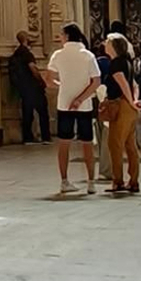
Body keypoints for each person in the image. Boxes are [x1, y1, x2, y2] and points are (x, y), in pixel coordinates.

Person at [42, 23, 101, 196]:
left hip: (64, 103)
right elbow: (96, 81)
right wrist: (81, 98)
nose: (59, 38)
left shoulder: (58, 55)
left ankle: (64, 181)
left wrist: (63, 86)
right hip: (84, 105)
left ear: (67, 36)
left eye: (61, 35)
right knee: (87, 144)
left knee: (64, 143)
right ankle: (91, 182)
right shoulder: (88, 55)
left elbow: (48, 79)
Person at [99, 31, 141, 196]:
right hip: (128, 107)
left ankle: (118, 181)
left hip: (121, 106)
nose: (104, 44)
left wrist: (130, 101)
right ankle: (134, 180)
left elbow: (123, 84)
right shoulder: (127, 62)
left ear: (114, 46)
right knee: (130, 146)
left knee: (115, 144)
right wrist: (134, 101)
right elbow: (134, 85)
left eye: (108, 42)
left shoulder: (116, 63)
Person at [7, 32, 49, 144]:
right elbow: (32, 68)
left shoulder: (16, 54)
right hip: (33, 86)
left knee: (27, 112)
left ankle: (27, 137)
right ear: (26, 39)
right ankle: (46, 136)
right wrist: (41, 80)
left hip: (23, 87)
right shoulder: (27, 53)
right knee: (42, 111)